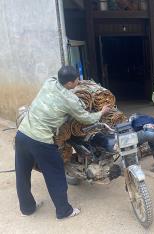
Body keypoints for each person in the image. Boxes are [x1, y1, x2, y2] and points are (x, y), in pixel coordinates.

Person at [15, 66, 111, 219]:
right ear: (70, 83)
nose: (78, 82)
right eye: (77, 80)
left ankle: (27, 209)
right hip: (41, 141)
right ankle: (64, 211)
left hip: (22, 134)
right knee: (55, 174)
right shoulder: (69, 100)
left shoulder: (50, 82)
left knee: (22, 175)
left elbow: (60, 80)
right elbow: (86, 118)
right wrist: (102, 112)